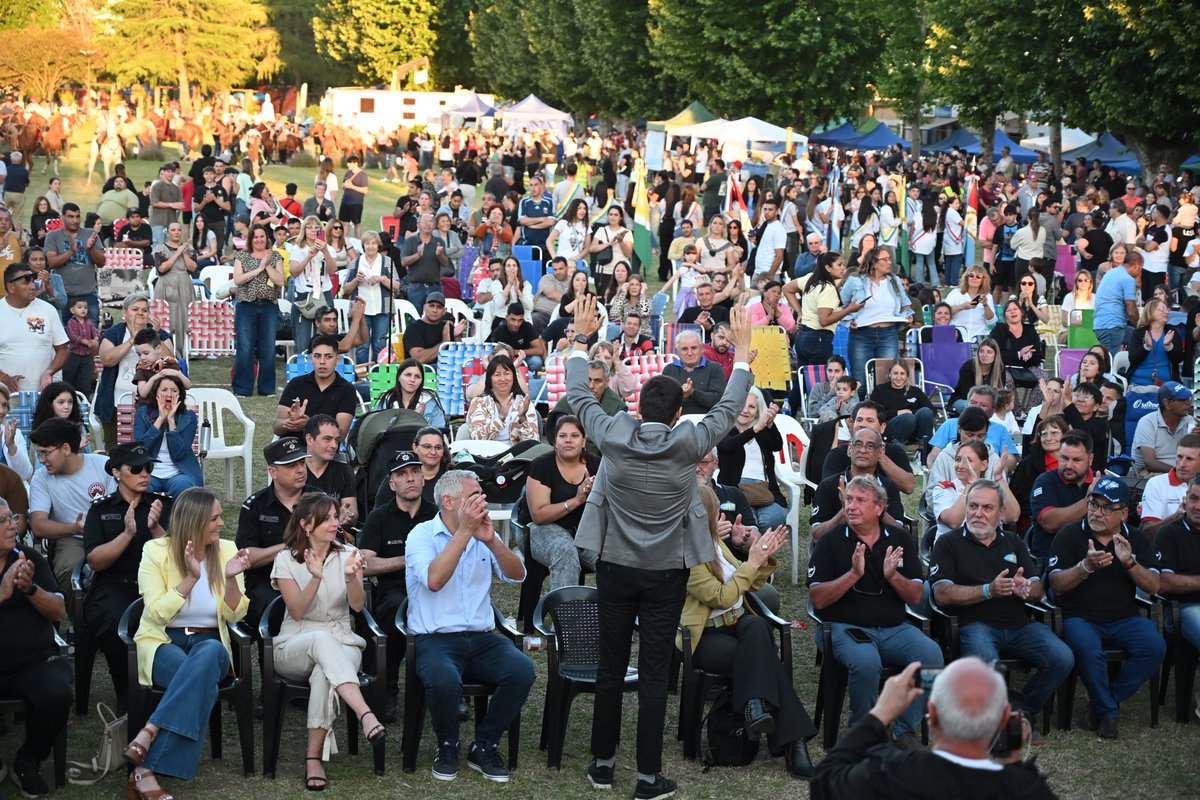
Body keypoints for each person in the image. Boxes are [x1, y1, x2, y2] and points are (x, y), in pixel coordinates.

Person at [566, 294, 753, 798]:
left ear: (638, 408)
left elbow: (578, 398)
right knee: (652, 674)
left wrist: (581, 341)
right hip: (666, 573)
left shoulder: (610, 435)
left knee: (609, 668)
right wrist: (743, 357)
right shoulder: (689, 443)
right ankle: (646, 777)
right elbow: (730, 409)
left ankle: (603, 765)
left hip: (616, 570)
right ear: (675, 416)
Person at [405, 470, 535, 783]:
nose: (483, 501)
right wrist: (464, 534)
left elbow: (518, 575)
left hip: (481, 637)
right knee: (444, 678)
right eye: (474, 495)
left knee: (522, 670)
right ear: (449, 502)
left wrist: (492, 541)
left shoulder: (483, 532)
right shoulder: (421, 535)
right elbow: (434, 580)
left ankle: (484, 744)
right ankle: (448, 744)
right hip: (434, 639)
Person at [679, 485, 816, 778]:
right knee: (763, 658)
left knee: (756, 625)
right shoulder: (686, 551)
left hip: (737, 626)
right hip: (706, 636)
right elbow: (721, 596)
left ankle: (756, 705)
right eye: (716, 510)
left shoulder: (716, 543)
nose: (722, 515)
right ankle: (793, 743)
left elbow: (747, 583)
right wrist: (751, 563)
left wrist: (759, 557)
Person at [124, 487, 251, 799]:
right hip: (163, 641)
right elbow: (154, 613)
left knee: (208, 655)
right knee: (197, 678)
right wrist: (191, 579)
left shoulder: (226, 550)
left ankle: (148, 732)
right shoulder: (155, 551)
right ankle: (146, 770)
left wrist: (232, 578)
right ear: (194, 522)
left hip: (210, 642)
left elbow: (235, 614)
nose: (222, 523)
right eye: (215, 518)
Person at [808, 476, 943, 748]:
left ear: (879, 508)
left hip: (893, 628)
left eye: (860, 500)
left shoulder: (899, 538)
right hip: (844, 627)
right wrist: (853, 574)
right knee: (867, 662)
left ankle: (904, 730)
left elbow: (917, 595)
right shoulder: (831, 541)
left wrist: (893, 576)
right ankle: (865, 732)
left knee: (933, 657)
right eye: (849, 500)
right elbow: (818, 599)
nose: (852, 506)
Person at [932, 477, 1073, 729]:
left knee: (1062, 657)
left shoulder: (1013, 542)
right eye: (973, 506)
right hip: (974, 624)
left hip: (1018, 625)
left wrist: (1027, 589)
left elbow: (1038, 588)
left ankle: (1021, 711)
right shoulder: (949, 542)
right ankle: (1000, 722)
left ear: (1001, 513)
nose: (978, 513)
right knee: (989, 666)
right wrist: (988, 590)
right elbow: (942, 593)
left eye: (987, 508)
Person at [811, 659, 1055, 800]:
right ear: (1004, 719)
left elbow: (823, 783)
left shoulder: (889, 773)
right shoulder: (1030, 790)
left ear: (932, 716)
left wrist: (879, 714)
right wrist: (1009, 761)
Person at [270, 493, 383, 790]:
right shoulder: (285, 558)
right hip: (294, 641)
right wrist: (316, 577)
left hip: (342, 639)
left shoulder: (349, 553)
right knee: (320, 640)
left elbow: (358, 607)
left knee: (324, 673)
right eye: (328, 518)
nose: (336, 522)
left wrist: (350, 577)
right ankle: (365, 713)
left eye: (336, 516)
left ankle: (312, 759)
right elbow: (296, 610)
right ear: (307, 525)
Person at [1047, 476, 1163, 738]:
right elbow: (1056, 585)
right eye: (1094, 504)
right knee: (1088, 649)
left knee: (1155, 646)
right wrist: (1084, 567)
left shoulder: (1135, 539)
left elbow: (1155, 586)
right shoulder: (1070, 534)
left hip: (1124, 618)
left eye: (1107, 508)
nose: (1097, 512)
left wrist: (1129, 563)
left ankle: (1102, 702)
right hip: (1080, 616)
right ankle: (1109, 714)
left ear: (1124, 513)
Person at [83, 442, 172, 713]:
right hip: (115, 584)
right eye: (136, 468)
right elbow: (95, 561)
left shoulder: (164, 505)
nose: (144, 473)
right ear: (116, 473)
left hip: (160, 584)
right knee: (113, 620)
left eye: (148, 467)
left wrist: (156, 529)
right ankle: (126, 689)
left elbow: (181, 556)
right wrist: (127, 534)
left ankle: (162, 687)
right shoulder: (100, 509)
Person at [0, 497, 71, 799]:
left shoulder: (28, 556)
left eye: (12, 518)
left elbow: (59, 612)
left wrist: (29, 588)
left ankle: (28, 760)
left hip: (34, 660)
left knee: (57, 692)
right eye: (3, 521)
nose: (12, 526)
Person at [359, 451, 437, 719]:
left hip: (434, 587)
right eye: (402, 474)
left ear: (424, 478)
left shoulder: (438, 515)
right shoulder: (379, 517)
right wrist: (407, 560)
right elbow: (365, 565)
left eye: (415, 472)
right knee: (395, 608)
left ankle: (451, 688)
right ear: (392, 484)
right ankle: (389, 687)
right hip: (394, 591)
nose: (410, 478)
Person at [28, 417, 115, 613]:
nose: (41, 460)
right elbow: (38, 524)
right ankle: (81, 627)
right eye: (39, 453)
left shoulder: (104, 466)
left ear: (66, 449)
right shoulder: (42, 478)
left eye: (45, 453)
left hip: (111, 534)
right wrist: (74, 528)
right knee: (69, 568)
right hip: (72, 538)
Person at [235, 438, 311, 631]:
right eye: (292, 465)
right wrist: (288, 546)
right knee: (272, 608)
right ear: (273, 472)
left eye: (302, 463)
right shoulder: (255, 506)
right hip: (266, 581)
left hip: (312, 576)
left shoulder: (318, 502)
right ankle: (270, 659)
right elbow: (246, 557)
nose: (301, 469)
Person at [525, 414, 600, 589]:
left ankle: (612, 615)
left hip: (585, 530)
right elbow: (539, 515)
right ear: (555, 441)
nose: (568, 441)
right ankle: (568, 615)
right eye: (563, 436)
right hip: (544, 528)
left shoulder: (596, 464)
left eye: (575, 436)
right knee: (565, 552)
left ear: (584, 440)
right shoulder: (542, 465)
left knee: (612, 557)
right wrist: (577, 500)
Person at [1156, 475, 1200, 712]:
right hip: (1184, 608)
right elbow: (1164, 582)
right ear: (1185, 499)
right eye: (1194, 498)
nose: (1198, 506)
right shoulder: (1170, 533)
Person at [717, 388, 788, 531]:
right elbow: (728, 445)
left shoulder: (763, 430)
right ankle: (755, 547)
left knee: (773, 518)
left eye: (752, 407)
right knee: (745, 519)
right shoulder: (725, 428)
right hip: (734, 490)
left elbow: (777, 446)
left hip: (764, 489)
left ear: (758, 410)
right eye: (742, 405)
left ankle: (755, 545)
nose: (745, 410)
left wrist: (769, 424)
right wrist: (756, 428)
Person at [841, 248, 913, 389]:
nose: (889, 262)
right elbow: (840, 305)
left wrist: (908, 315)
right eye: (884, 259)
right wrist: (848, 322)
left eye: (889, 259)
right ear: (874, 262)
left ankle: (884, 410)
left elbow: (906, 304)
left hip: (889, 334)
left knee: (886, 378)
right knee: (860, 380)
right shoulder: (855, 280)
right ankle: (859, 410)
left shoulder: (894, 280)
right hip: (861, 334)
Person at [231, 224, 285, 397]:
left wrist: (266, 265)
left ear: (266, 238)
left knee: (268, 347)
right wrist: (259, 268)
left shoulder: (275, 256)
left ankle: (267, 388)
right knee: (245, 347)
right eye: (256, 237)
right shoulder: (242, 255)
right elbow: (238, 280)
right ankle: (242, 388)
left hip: (269, 306)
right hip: (246, 306)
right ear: (251, 239)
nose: (259, 240)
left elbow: (280, 281)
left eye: (262, 236)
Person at [1026, 430, 1097, 558]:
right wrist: (1090, 501)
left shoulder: (1100, 482)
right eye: (1064, 458)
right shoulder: (1045, 481)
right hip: (1051, 558)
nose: (1069, 465)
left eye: (1076, 460)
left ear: (1090, 459)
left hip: (1094, 556)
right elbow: (1049, 523)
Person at [275, 335, 359, 441]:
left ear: (337, 359)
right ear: (311, 358)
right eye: (317, 356)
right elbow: (276, 428)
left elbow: (340, 435)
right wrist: (289, 421)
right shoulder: (296, 384)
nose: (322, 361)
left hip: (325, 451)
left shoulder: (347, 390)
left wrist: (310, 425)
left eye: (328, 356)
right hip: (292, 448)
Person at [0, 263, 68, 393]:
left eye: (33, 280)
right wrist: (4, 378)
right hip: (4, 397)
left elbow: (63, 349)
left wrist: (50, 372)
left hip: (43, 393)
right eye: (26, 283)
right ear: (11, 287)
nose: (32, 286)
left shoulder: (48, 310)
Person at [134, 373, 202, 495]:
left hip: (179, 472)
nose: (169, 394)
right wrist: (160, 420)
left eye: (174, 390)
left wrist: (171, 422)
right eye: (164, 390)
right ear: (156, 393)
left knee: (184, 486)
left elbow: (180, 453)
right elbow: (141, 449)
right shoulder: (143, 413)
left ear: (180, 395)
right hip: (149, 471)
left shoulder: (188, 417)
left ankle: (176, 514)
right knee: (138, 488)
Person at [464, 354, 539, 444]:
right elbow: (476, 438)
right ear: (489, 379)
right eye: (497, 374)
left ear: (513, 377)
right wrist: (500, 419)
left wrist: (522, 419)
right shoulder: (479, 402)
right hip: (486, 456)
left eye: (507, 373)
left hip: (517, 455)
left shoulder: (523, 403)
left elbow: (533, 443)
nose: (502, 379)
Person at [1138, 434, 1200, 539]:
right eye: (1179, 457)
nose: (1182, 464)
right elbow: (1148, 533)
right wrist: (1176, 516)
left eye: (1189, 459)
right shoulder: (1156, 484)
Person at [303, 415, 357, 527]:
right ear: (309, 439)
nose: (334, 445)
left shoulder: (344, 470)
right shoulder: (296, 469)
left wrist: (346, 516)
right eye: (327, 439)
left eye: (336, 440)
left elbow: (352, 513)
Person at [1132, 381, 1196, 476]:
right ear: (1167, 404)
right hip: (1149, 474)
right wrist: (1178, 472)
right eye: (1183, 399)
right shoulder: (1147, 422)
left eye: (1189, 399)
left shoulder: (1190, 421)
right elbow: (1150, 463)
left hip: (1183, 472)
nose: (1188, 402)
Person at [662, 330, 728, 415]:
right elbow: (663, 402)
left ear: (701, 349)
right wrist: (681, 394)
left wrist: (693, 393)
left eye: (694, 348)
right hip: (676, 422)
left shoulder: (715, 369)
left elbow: (718, 400)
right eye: (684, 349)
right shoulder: (669, 370)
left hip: (707, 422)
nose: (689, 353)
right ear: (677, 351)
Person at [870, 360, 935, 446]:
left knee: (925, 412)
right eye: (895, 373)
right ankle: (899, 453)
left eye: (902, 374)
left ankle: (925, 450)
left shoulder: (915, 391)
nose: (899, 377)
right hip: (890, 429)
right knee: (907, 418)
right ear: (890, 374)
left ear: (907, 375)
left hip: (914, 430)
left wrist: (911, 412)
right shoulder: (880, 390)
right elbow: (874, 413)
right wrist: (897, 413)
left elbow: (932, 411)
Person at [1092, 248, 1142, 353]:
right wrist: (1140, 325)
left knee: (1136, 337)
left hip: (1102, 324)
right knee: (1111, 362)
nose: (1140, 272)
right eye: (1140, 269)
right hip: (1111, 326)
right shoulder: (1127, 279)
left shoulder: (1113, 272)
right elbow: (1131, 309)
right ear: (1136, 266)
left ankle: (1128, 367)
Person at [374, 357, 447, 427]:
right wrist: (414, 417)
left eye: (417, 376)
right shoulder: (386, 401)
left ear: (422, 381)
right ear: (399, 377)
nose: (412, 380)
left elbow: (439, 431)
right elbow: (376, 431)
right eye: (408, 375)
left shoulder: (430, 401)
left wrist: (420, 421)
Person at [1128, 299, 1183, 385]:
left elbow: (1178, 359)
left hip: (1166, 385)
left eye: (1167, 309)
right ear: (1150, 312)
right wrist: (1146, 347)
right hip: (1138, 383)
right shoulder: (1139, 333)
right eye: (1161, 309)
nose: (1166, 312)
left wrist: (1169, 346)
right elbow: (1133, 360)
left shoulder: (1171, 331)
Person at [403, 292, 467, 365]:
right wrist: (443, 343)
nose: (435, 310)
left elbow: (462, 357)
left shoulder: (447, 326)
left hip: (448, 370)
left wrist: (457, 337)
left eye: (439, 307)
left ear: (444, 311)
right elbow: (419, 358)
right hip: (423, 371)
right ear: (424, 308)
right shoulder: (414, 328)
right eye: (431, 306)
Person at [533, 257, 570, 332]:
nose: (558, 272)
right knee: (534, 319)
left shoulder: (573, 281)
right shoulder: (547, 278)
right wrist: (570, 300)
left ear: (567, 268)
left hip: (563, 317)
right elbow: (551, 294)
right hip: (544, 313)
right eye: (555, 269)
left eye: (561, 269)